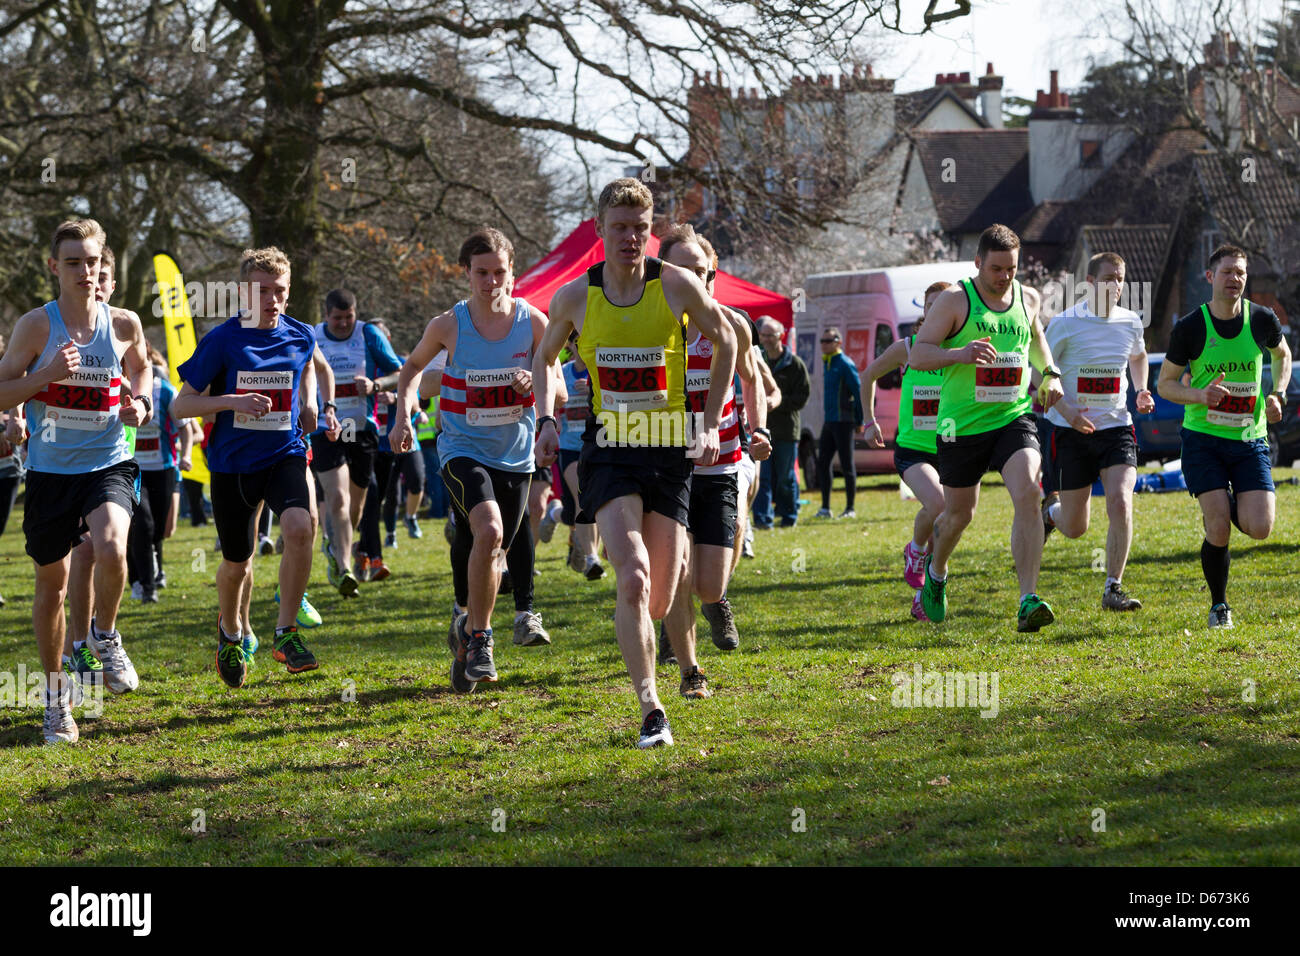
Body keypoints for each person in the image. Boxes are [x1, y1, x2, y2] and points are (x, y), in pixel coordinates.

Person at [533, 178, 737, 749]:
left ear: (651, 234)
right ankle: (651, 707)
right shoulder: (576, 297)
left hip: (668, 446)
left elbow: (726, 342)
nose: (629, 238)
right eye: (619, 228)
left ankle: (652, 646)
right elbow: (545, 356)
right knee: (635, 572)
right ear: (600, 230)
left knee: (662, 596)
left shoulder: (677, 286)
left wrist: (709, 418)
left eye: (640, 230)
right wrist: (548, 420)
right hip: (609, 449)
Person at [0, 220, 151, 744]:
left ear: (101, 263)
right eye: (73, 263)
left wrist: (143, 402)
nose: (84, 272)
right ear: (53, 267)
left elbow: (143, 369)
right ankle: (55, 699)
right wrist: (44, 378)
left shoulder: (125, 322)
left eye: (91, 262)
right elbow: (2, 392)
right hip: (49, 472)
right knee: (53, 587)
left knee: (112, 547)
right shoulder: (35, 328)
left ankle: (105, 637)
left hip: (107, 461)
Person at [389, 227, 549, 692]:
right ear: (467, 274)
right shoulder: (448, 325)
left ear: (512, 273)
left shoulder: (533, 322)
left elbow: (554, 379)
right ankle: (482, 638)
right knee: (490, 530)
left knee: (495, 547)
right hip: (461, 448)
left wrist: (533, 383)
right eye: (482, 272)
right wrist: (403, 415)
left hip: (515, 455)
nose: (491, 281)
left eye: (499, 272)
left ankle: (466, 627)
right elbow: (411, 370)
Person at [172, 246, 337, 688]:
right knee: (237, 564)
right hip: (232, 464)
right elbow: (180, 405)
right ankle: (229, 632)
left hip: (284, 452)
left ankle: (286, 632)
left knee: (301, 526)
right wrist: (231, 402)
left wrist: (312, 405)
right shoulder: (223, 340)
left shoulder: (300, 334)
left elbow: (306, 371)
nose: (272, 299)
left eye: (279, 291)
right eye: (261, 290)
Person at [909, 223, 1065, 631]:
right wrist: (960, 353)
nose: (1005, 277)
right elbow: (920, 356)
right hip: (960, 425)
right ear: (978, 262)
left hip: (1012, 416)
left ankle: (1027, 598)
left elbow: (1035, 339)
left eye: (1011, 268)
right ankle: (937, 573)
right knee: (959, 515)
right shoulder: (955, 300)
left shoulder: (1026, 297)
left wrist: (1049, 373)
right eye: (997, 269)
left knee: (1030, 492)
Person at [658, 224, 769, 691]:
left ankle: (715, 600)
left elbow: (752, 381)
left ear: (713, 275)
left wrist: (758, 428)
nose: (694, 281)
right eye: (681, 271)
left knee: (707, 582)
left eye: (700, 272)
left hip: (721, 465)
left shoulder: (733, 325)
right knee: (676, 569)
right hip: (668, 466)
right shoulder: (651, 328)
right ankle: (690, 670)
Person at [1156, 244, 1290, 628]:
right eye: (1227, 271)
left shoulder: (1262, 319)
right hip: (1203, 440)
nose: (1235, 279)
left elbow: (1283, 356)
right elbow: (1165, 384)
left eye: (1241, 273)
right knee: (1217, 525)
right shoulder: (1190, 327)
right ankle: (1219, 606)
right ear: (1210, 276)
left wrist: (1277, 393)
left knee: (1260, 528)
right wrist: (1201, 395)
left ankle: (1226, 500)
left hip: (1250, 440)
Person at [1040, 252, 1153, 611]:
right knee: (1075, 527)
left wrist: (1141, 388)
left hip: (1117, 427)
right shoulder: (1065, 323)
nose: (1116, 286)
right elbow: (1039, 371)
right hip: (1071, 431)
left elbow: (1138, 356)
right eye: (1109, 279)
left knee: (1121, 501)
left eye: (1121, 279)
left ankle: (1113, 587)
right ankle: (1050, 513)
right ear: (1089, 283)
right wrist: (1066, 410)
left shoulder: (1131, 322)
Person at [862, 281, 955, 621]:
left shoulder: (962, 350)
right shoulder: (909, 347)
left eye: (944, 303)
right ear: (926, 310)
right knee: (938, 505)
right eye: (931, 304)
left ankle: (924, 595)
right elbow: (868, 375)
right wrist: (868, 420)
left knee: (947, 523)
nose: (937, 310)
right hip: (914, 450)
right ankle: (915, 551)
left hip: (952, 449)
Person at [311, 289, 403, 597]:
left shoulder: (370, 334)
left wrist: (376, 385)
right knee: (336, 498)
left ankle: (338, 550)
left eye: (348, 317)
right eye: (337, 318)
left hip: (362, 429)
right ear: (326, 315)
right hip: (327, 428)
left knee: (357, 505)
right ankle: (344, 565)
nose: (343, 324)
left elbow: (399, 373)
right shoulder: (312, 337)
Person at [127, 344, 192, 603]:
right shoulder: (122, 388)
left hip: (163, 468)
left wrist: (186, 454)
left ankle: (148, 572)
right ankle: (145, 585)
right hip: (131, 469)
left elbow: (185, 427)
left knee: (158, 531)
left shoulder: (165, 391)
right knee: (142, 524)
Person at [555, 331, 605, 579]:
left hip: (598, 445)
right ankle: (591, 558)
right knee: (581, 496)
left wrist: (594, 390)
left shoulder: (602, 369)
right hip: (569, 447)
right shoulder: (562, 372)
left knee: (592, 502)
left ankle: (583, 545)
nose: (582, 346)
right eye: (577, 342)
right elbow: (551, 404)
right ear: (570, 345)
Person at [753, 316, 809, 529]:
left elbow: (802, 396)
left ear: (781, 336)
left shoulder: (795, 364)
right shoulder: (757, 358)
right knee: (763, 478)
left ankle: (788, 516)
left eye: (770, 336)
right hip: (763, 429)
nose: (765, 340)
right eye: (763, 336)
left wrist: (777, 403)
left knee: (786, 478)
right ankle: (762, 519)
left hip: (787, 431)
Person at [814, 327, 864, 518]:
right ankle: (825, 508)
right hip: (830, 421)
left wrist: (860, 419)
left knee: (847, 465)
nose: (824, 344)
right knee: (823, 462)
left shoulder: (845, 363)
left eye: (828, 341)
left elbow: (858, 392)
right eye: (822, 341)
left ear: (838, 342)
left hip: (844, 422)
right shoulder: (827, 362)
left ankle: (850, 509)